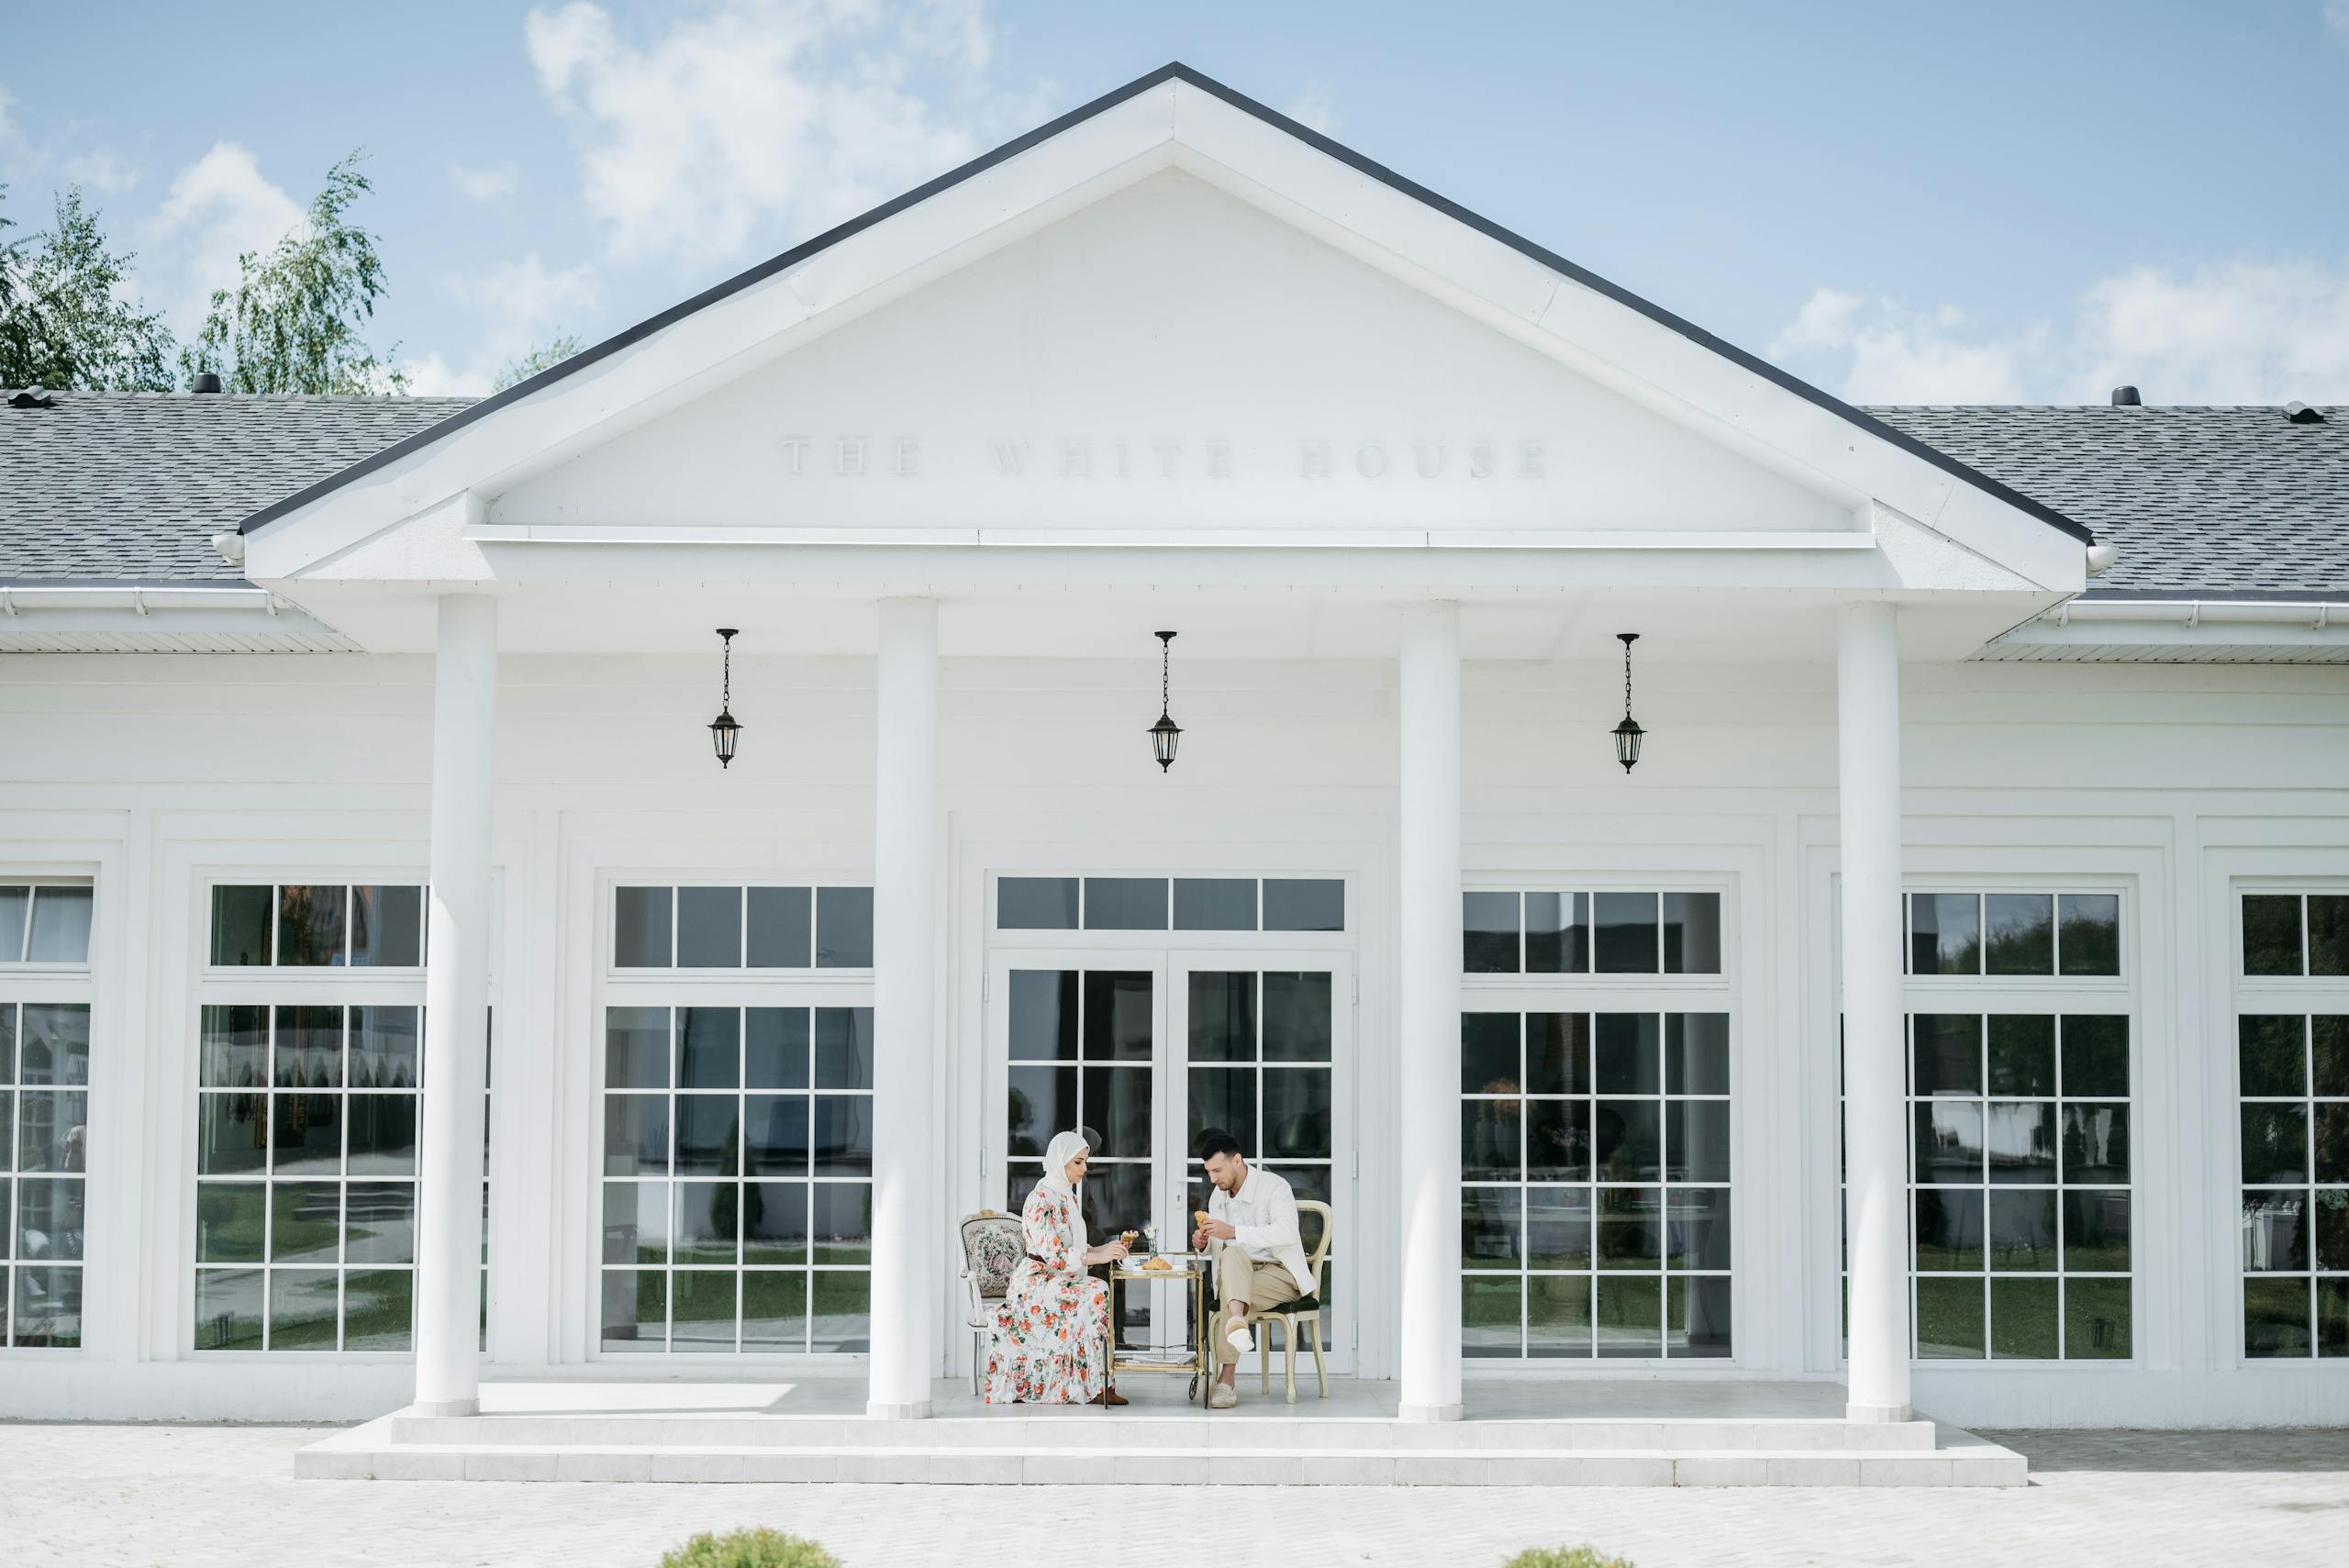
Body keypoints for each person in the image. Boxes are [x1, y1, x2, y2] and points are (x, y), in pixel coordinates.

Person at [982, 1129, 1130, 1406]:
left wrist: (1109, 1250)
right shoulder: (1039, 1200)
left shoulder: (1068, 1197)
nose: (1085, 1168)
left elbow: (1078, 1248)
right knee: (1097, 1291)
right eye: (1078, 1162)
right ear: (1059, 1161)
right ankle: (1093, 1387)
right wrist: (1096, 1258)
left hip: (1058, 1278)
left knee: (1099, 1290)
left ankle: (1095, 1384)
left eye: (1085, 1161)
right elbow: (1055, 1256)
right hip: (1037, 1282)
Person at [1189, 1127, 1313, 1409]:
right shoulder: (1217, 1197)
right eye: (1208, 1172)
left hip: (1279, 1273)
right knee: (1232, 1260)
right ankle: (1237, 1320)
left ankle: (1226, 1379)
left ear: (1237, 1160)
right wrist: (1203, 1243)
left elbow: (1286, 1232)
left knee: (1229, 1292)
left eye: (1217, 1171)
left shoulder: (1274, 1186)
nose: (1213, 1179)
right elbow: (1218, 1248)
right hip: (1239, 1273)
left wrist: (1233, 1231)